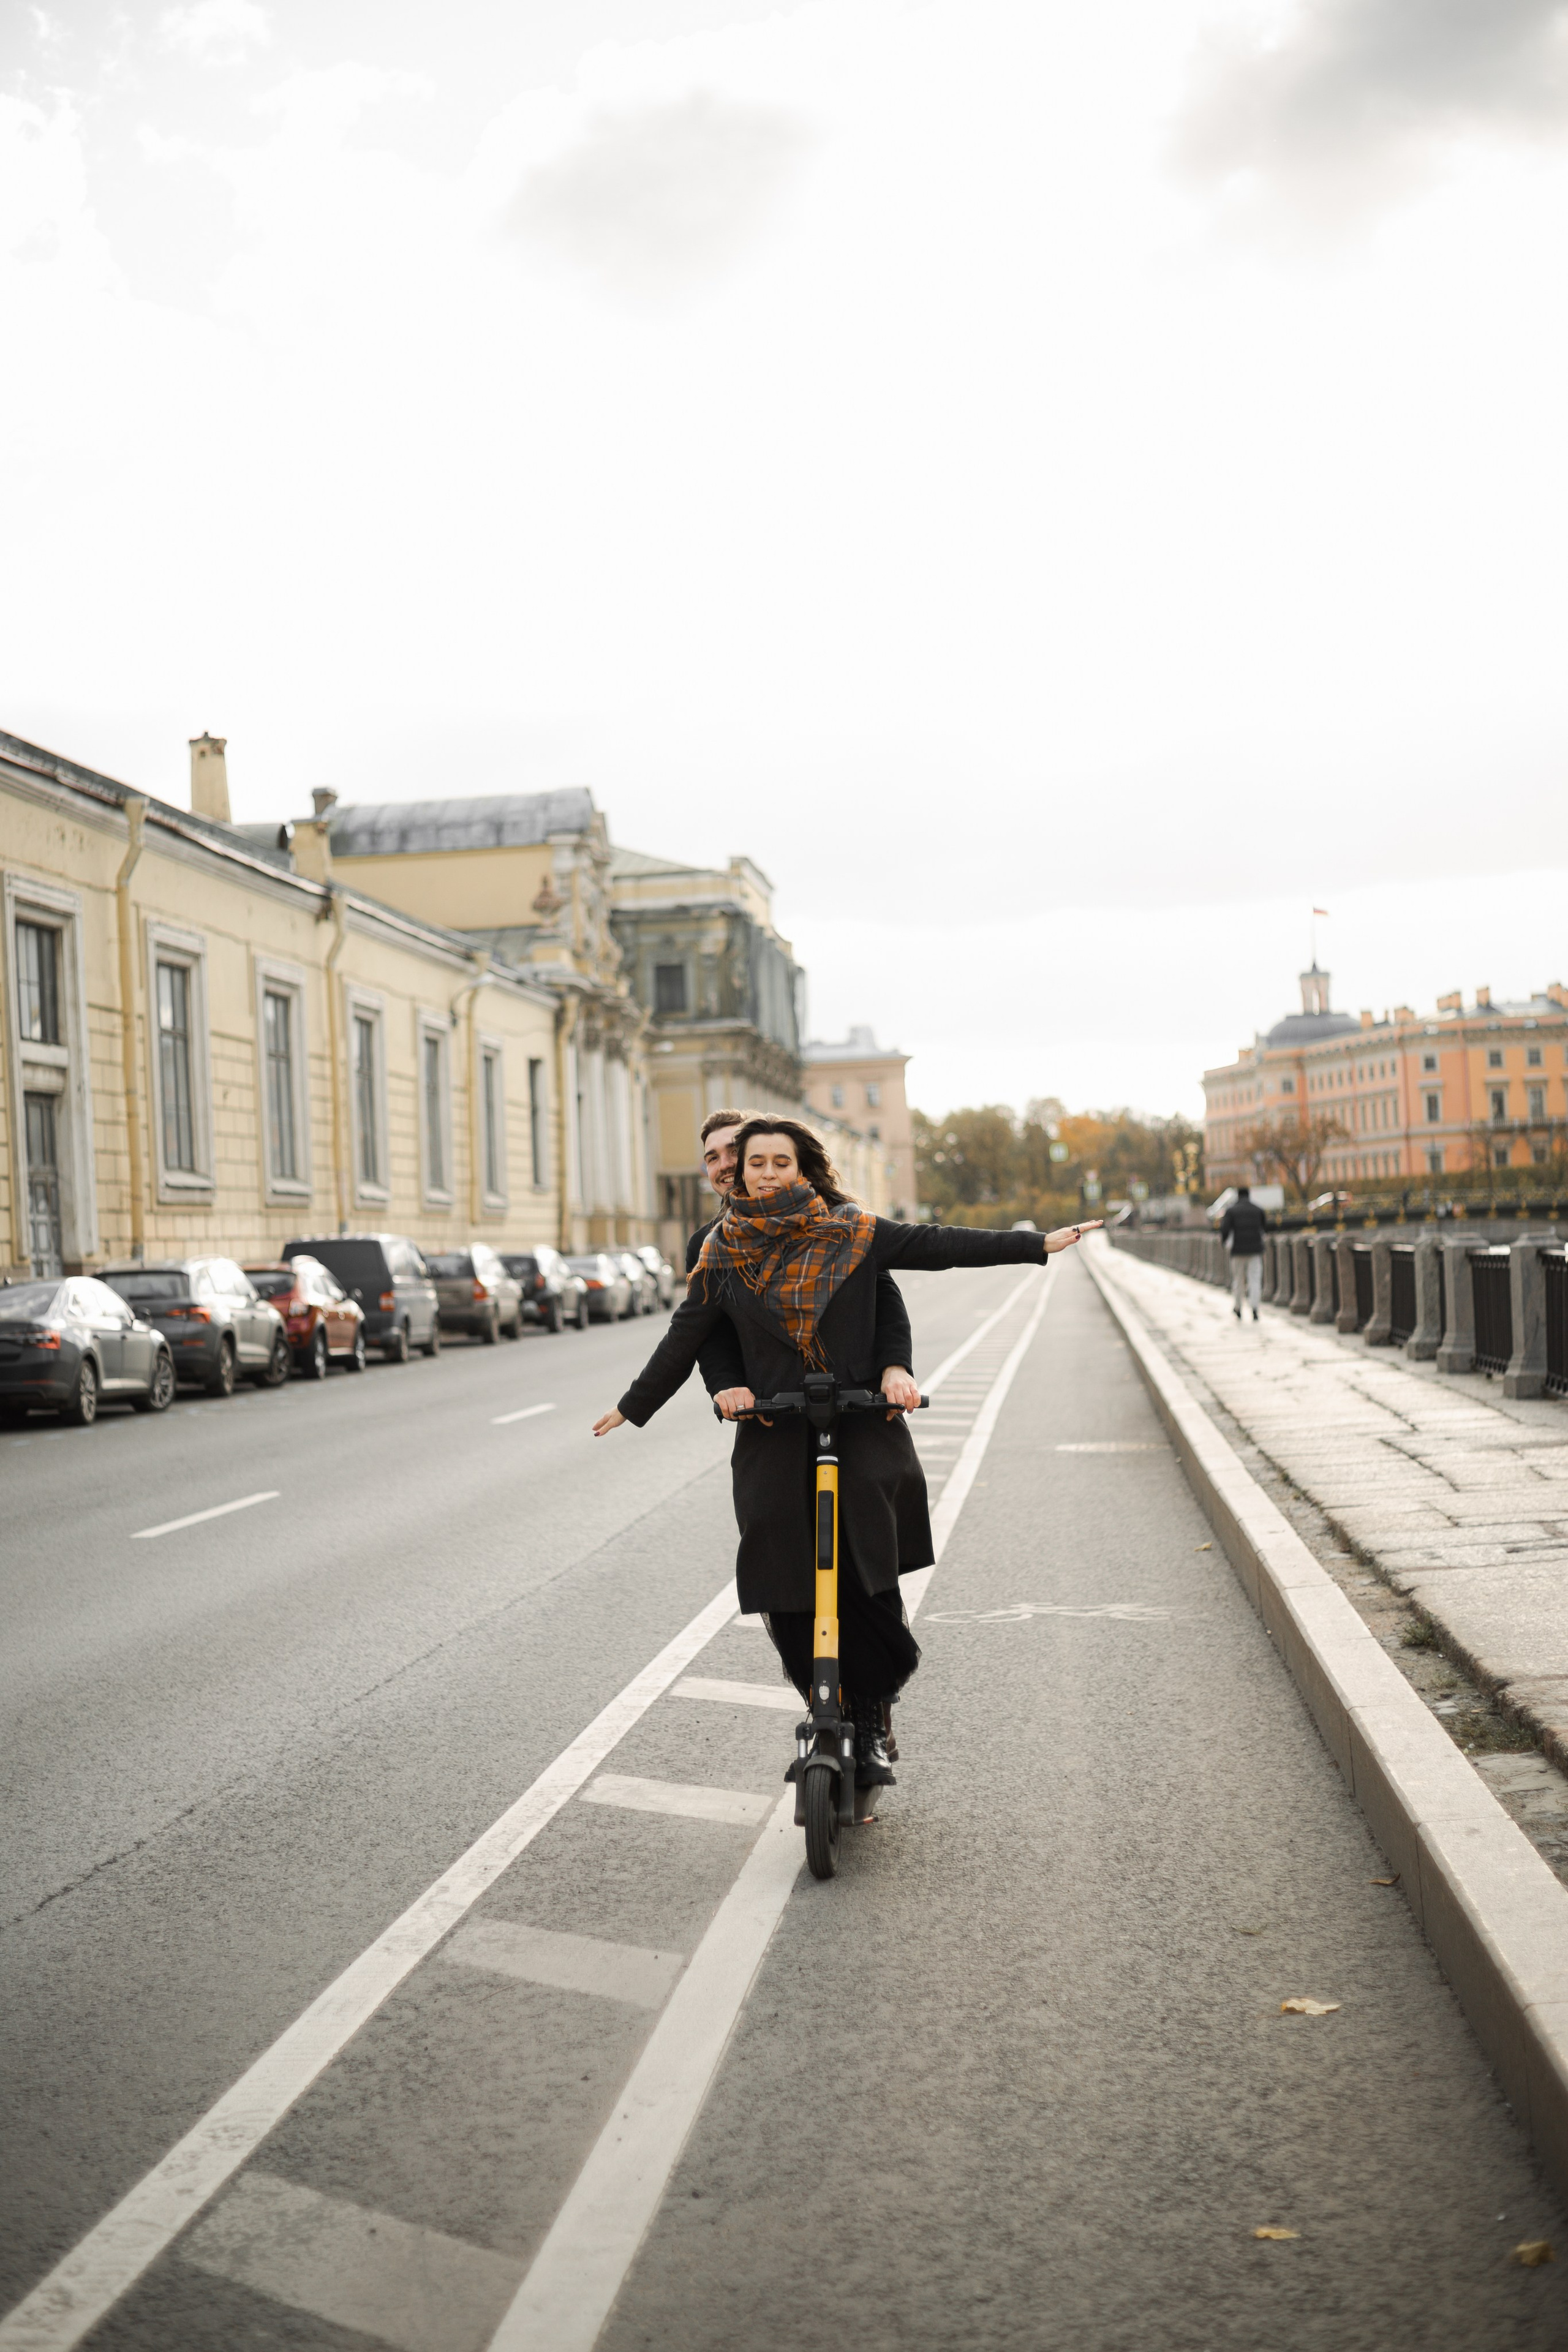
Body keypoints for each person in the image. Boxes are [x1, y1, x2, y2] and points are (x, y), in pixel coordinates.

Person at [594, 1115, 1101, 1784]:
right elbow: (690, 1336)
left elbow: (935, 1245)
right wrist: (636, 1406)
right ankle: (823, 1703)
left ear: (802, 1167)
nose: (759, 1173)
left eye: (777, 1162)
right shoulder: (719, 1248)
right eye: (751, 1163)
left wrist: (1035, 1244)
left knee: (863, 1556)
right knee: (779, 1563)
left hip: (859, 1418)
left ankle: (872, 1712)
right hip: (775, 1426)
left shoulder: (852, 1229)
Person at [1220, 1183, 1267, 1321]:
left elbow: (1225, 1230)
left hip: (1238, 1251)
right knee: (1255, 1279)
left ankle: (1238, 1307)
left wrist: (1224, 1243)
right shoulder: (1258, 1210)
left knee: (1238, 1280)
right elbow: (1264, 1228)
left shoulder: (1231, 1211)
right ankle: (1255, 1308)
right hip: (1255, 1250)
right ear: (1249, 1195)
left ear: (1238, 1196)